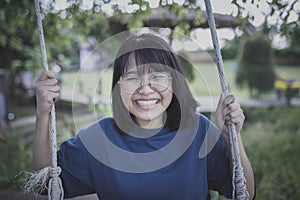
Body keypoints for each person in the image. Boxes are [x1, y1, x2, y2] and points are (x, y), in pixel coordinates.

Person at [33, 33, 255, 199]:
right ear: (118, 87)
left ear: (174, 82)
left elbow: (245, 193)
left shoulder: (199, 131)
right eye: (132, 77)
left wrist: (231, 136)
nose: (146, 89)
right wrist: (43, 113)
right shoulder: (98, 139)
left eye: (158, 75)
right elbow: (42, 185)